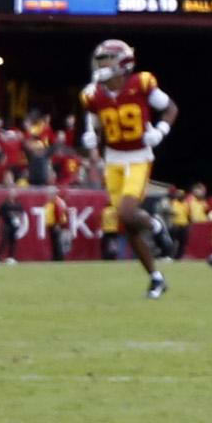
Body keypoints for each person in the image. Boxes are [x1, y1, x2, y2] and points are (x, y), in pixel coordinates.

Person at [79, 37, 179, 299]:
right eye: (99, 60)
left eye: (106, 60)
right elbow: (94, 125)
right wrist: (91, 142)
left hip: (138, 157)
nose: (101, 65)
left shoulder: (142, 84)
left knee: (126, 210)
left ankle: (156, 226)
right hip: (113, 159)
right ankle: (156, 277)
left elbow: (170, 108)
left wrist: (160, 131)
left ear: (123, 62)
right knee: (128, 223)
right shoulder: (94, 95)